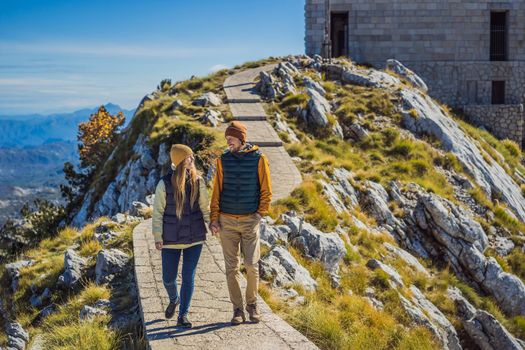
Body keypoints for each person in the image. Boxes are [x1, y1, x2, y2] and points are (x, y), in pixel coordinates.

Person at [209, 121, 272, 325]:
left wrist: (259, 214)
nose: (228, 141)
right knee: (231, 268)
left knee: (252, 266)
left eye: (231, 138)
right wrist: (214, 219)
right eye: (227, 138)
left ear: (241, 139)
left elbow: (266, 190)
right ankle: (237, 310)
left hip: (249, 222)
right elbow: (216, 191)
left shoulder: (259, 158)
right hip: (226, 222)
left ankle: (252, 305)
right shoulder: (223, 160)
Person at [152, 144, 210, 328]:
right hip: (170, 239)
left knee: (188, 277)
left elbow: (205, 208)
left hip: (195, 237)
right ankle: (174, 298)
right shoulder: (164, 183)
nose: (191, 160)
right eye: (187, 158)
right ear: (178, 162)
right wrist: (157, 236)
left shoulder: (198, 181)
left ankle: (183, 315)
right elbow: (158, 212)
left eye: (192, 157)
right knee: (168, 278)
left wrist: (213, 224)